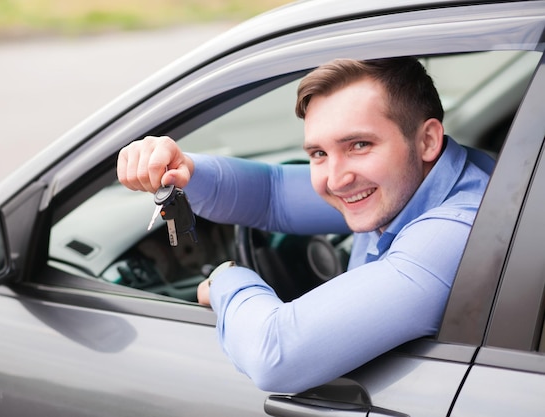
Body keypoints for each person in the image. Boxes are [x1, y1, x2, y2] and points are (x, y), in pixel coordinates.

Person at [117, 57, 493, 393]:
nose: (335, 179)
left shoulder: (456, 232)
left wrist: (225, 279)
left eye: (359, 145)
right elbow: (272, 193)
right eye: (318, 153)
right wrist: (183, 168)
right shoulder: (412, 182)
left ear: (427, 139)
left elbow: (275, 353)